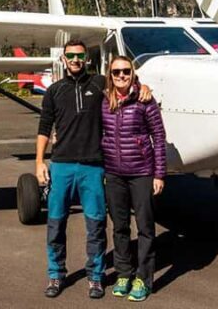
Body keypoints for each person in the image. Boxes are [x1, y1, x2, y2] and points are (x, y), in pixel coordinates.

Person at [36, 40, 152, 300]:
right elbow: (44, 128)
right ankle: (56, 274)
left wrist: (142, 86)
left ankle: (96, 277)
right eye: (70, 56)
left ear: (86, 58)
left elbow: (125, 82)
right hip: (62, 165)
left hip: (93, 167)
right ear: (63, 59)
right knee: (55, 224)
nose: (75, 60)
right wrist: (39, 162)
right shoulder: (54, 91)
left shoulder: (100, 84)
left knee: (96, 225)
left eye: (80, 55)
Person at [101, 56, 166, 302]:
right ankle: (124, 273)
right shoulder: (105, 100)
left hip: (141, 172)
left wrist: (159, 173)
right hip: (114, 173)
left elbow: (158, 138)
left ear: (133, 72)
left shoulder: (145, 100)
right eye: (116, 72)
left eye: (126, 71)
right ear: (110, 74)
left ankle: (143, 277)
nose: (121, 76)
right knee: (119, 227)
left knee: (146, 227)